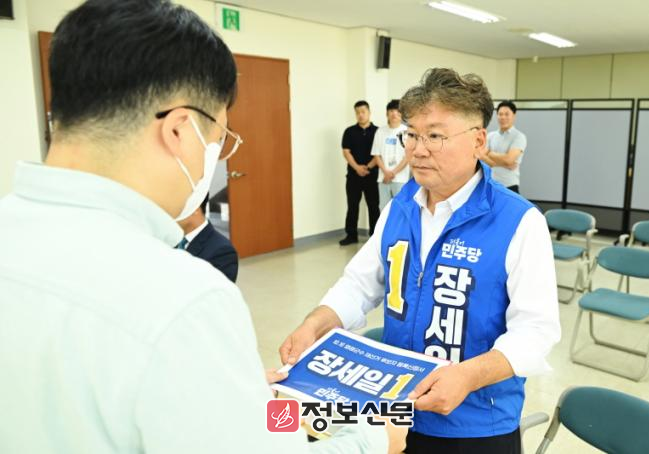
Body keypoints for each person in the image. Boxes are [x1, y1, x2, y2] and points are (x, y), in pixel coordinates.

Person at [0, 1, 406, 453]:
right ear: (178, 130)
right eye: (217, 140)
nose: (215, 159)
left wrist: (222, 391)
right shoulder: (183, 297)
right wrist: (372, 439)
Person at [280, 68, 560, 454]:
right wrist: (316, 323)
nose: (418, 149)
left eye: (435, 136)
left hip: (474, 423)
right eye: (411, 134)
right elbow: (359, 284)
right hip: (395, 413)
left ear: (478, 140)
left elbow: (537, 331)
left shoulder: (519, 222)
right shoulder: (400, 208)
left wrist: (468, 376)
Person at [339, 100, 380, 246]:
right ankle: (351, 235)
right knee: (352, 206)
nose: (360, 115)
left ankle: (375, 236)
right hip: (353, 176)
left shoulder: (378, 132)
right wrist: (357, 167)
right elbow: (346, 152)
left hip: (372, 175)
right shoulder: (349, 131)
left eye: (363, 112)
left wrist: (367, 167)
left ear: (369, 112)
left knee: (373, 206)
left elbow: (379, 153)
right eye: (358, 113)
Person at [178, 194, 239, 283]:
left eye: (177, 206)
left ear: (194, 208)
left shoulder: (222, 251)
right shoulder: (173, 240)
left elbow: (217, 291)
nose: (171, 212)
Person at [477, 100, 527, 194]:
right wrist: (504, 163)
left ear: (514, 115)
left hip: (509, 186)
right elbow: (481, 156)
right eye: (500, 114)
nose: (503, 117)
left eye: (506, 114)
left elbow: (509, 160)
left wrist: (489, 153)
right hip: (490, 185)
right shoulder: (491, 136)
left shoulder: (519, 136)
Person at [371, 99, 409, 211]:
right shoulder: (380, 131)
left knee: (400, 208)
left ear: (402, 114)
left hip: (400, 178)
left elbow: (407, 157)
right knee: (384, 209)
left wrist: (393, 173)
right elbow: (376, 155)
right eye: (391, 111)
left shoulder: (407, 132)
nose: (394, 114)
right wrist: (386, 172)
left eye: (397, 111)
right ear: (387, 113)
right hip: (383, 178)